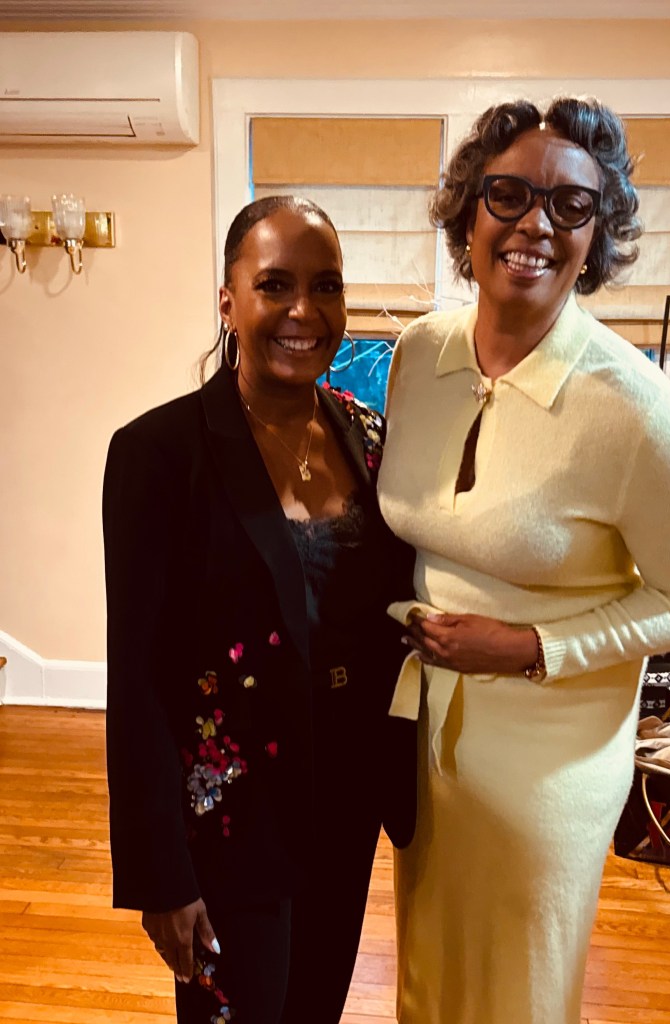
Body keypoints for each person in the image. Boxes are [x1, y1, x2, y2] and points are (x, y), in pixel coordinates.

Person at [376, 97, 670, 1024]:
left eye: (571, 205)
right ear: (469, 212)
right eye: (509, 194)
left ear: (597, 234)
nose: (536, 224)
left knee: (519, 989)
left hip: (550, 757)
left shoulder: (635, 407)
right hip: (425, 734)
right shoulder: (419, 354)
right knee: (430, 971)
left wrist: (531, 646)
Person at [103, 196, 413, 1024]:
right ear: (228, 301)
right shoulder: (158, 454)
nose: (304, 311)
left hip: (345, 803)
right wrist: (160, 877)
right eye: (275, 285)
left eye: (326, 286)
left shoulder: (371, 439)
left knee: (315, 1008)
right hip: (228, 823)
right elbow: (136, 679)